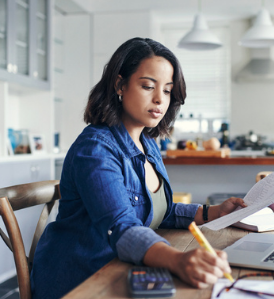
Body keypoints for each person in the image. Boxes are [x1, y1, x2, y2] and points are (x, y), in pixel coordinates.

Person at [30, 37, 246, 298]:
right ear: (120, 85)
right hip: (82, 280)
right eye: (148, 86)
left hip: (121, 269)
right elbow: (121, 225)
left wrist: (213, 212)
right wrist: (178, 260)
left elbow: (158, 212)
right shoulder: (96, 149)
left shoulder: (148, 143)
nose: (159, 99)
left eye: (167, 91)